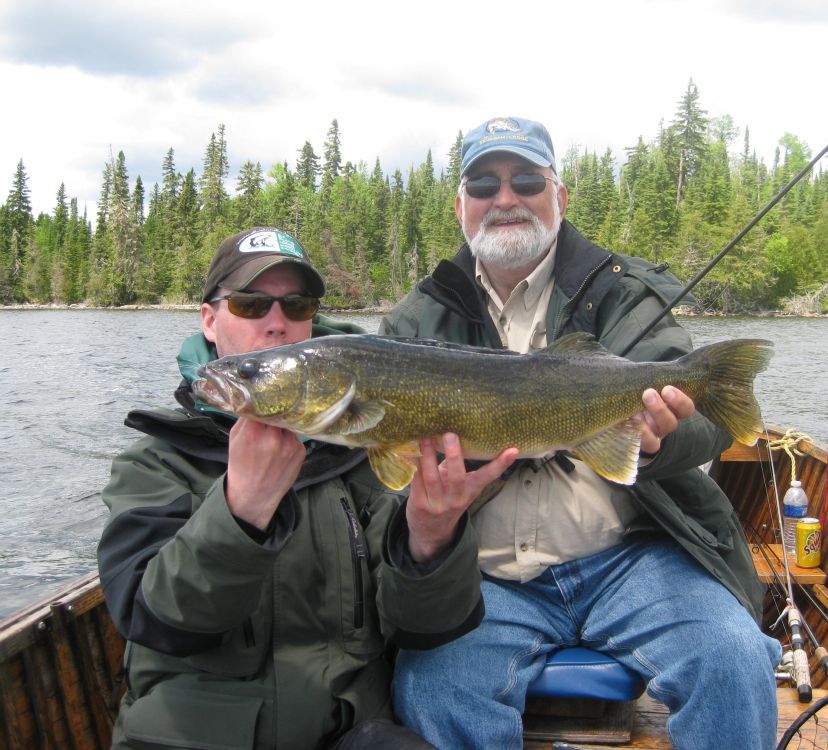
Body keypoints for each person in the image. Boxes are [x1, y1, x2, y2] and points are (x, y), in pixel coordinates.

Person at [381, 117, 782, 750]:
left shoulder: (623, 293)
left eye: (526, 180)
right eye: (484, 182)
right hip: (484, 577)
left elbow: (706, 426)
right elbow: (385, 481)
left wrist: (658, 441)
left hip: (634, 556)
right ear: (460, 206)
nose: (505, 198)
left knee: (732, 656)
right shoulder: (415, 321)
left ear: (559, 197)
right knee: (430, 688)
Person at [97, 227, 516, 750]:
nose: (277, 323)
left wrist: (431, 541)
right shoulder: (154, 462)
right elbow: (153, 619)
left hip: (351, 734)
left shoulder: (368, 453)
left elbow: (422, 628)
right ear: (209, 319)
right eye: (251, 305)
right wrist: (240, 511)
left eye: (297, 306)